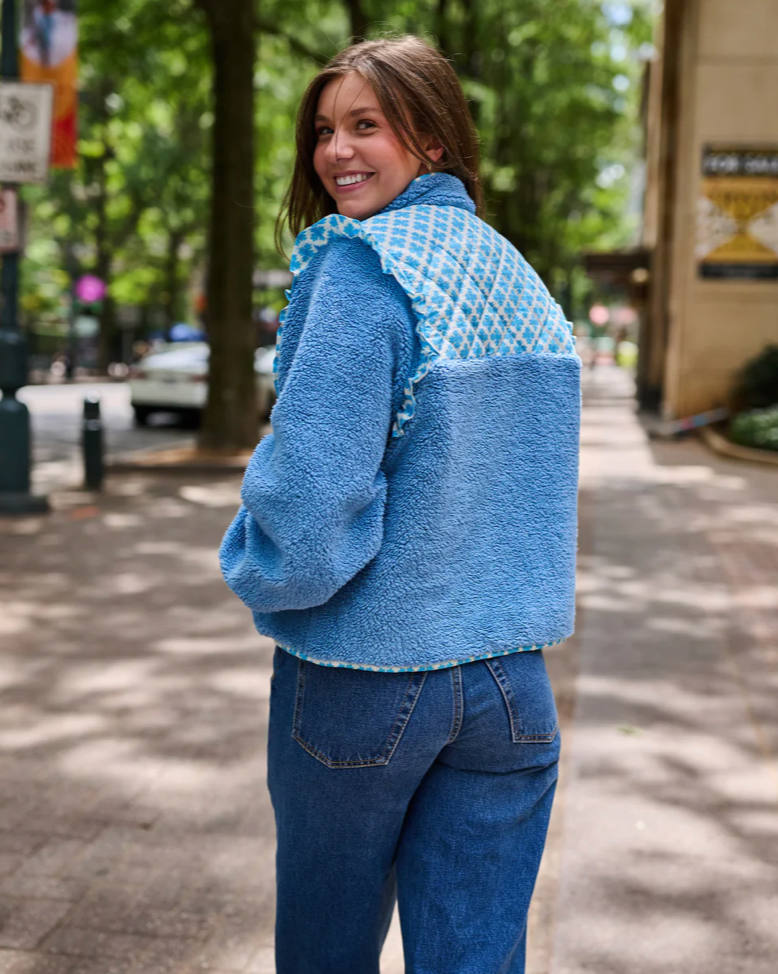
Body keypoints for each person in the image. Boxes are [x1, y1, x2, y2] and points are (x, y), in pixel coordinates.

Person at [220, 34, 580, 974]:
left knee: (327, 954)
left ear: (431, 137)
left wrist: (255, 567)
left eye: (365, 126)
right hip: (511, 684)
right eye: (323, 130)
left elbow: (309, 506)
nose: (336, 150)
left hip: (364, 676)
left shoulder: (361, 269)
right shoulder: (515, 275)